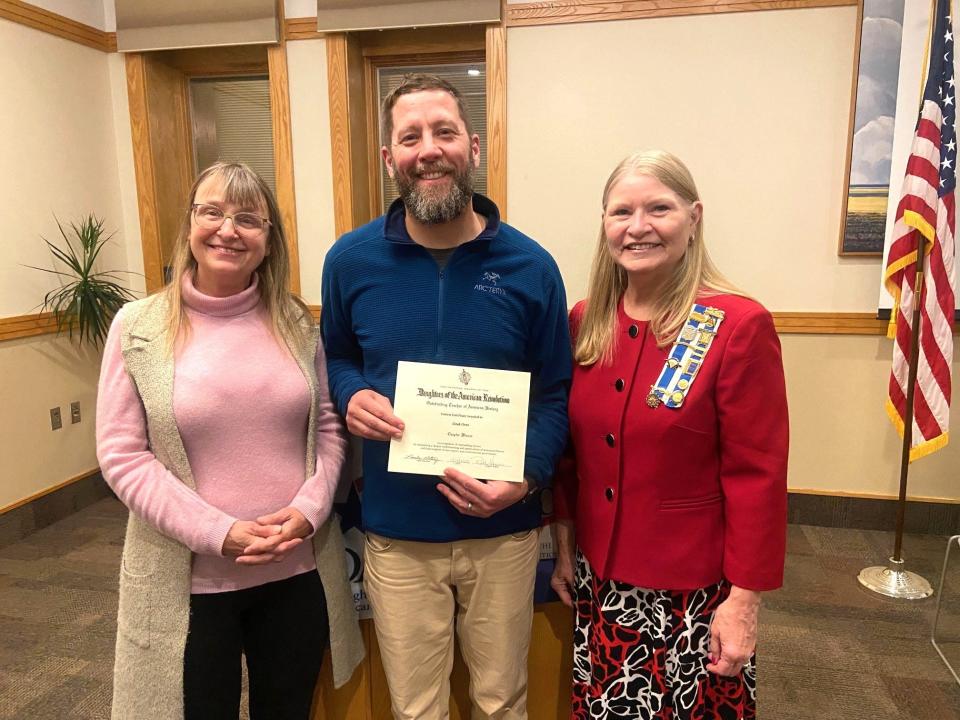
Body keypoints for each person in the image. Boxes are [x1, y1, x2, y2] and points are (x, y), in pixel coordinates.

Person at [321, 74, 571, 720]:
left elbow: (555, 390)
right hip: (399, 534)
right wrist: (348, 394)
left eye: (445, 132)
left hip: (503, 531)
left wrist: (526, 476)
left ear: (474, 147)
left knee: (500, 701)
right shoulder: (349, 262)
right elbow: (338, 355)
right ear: (389, 159)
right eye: (411, 137)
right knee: (416, 708)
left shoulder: (531, 267)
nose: (428, 149)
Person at [96, 162, 363, 720]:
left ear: (268, 241)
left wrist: (309, 511)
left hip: (296, 571)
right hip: (189, 580)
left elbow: (329, 430)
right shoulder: (137, 325)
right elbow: (122, 455)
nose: (228, 229)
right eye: (211, 212)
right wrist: (220, 533)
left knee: (289, 709)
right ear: (189, 226)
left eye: (248, 219)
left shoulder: (295, 321)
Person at [550, 150, 788, 719]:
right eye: (621, 212)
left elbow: (758, 475)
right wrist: (563, 547)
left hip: (693, 595)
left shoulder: (735, 325)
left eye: (659, 208)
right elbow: (570, 457)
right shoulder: (585, 322)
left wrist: (745, 601)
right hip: (600, 582)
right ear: (604, 224)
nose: (638, 227)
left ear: (694, 218)